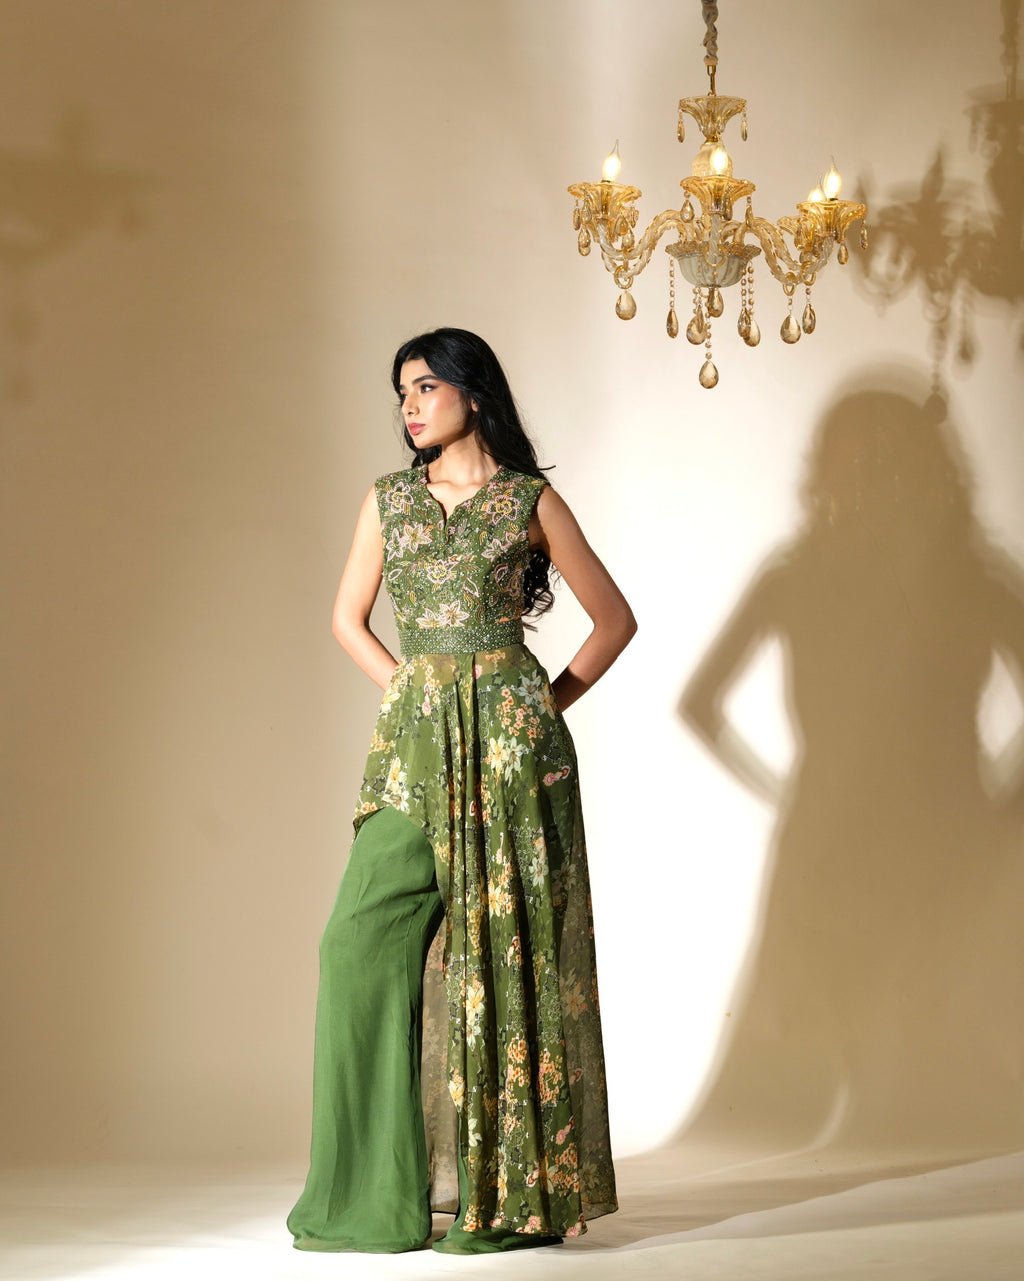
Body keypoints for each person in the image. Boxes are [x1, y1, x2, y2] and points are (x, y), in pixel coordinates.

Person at [286, 327, 635, 1255]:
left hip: (515, 757)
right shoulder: (390, 501)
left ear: (473, 394)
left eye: (426, 385)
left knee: (503, 959)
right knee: (355, 942)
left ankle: (504, 1193)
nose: (408, 402)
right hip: (416, 748)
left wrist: (539, 711)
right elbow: (345, 618)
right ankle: (372, 1192)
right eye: (401, 389)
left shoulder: (528, 499)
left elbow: (613, 620)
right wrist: (414, 692)